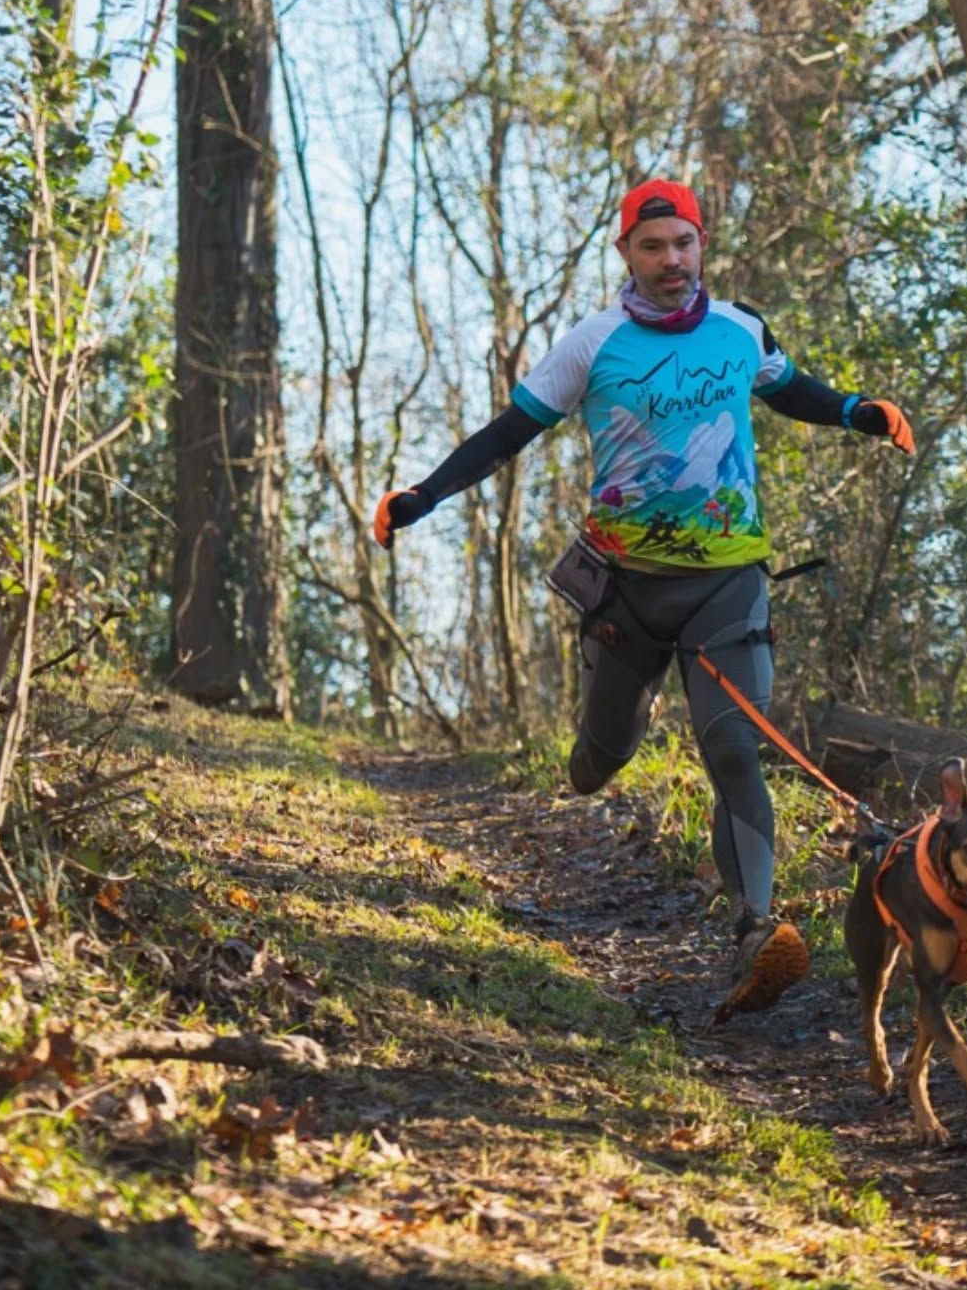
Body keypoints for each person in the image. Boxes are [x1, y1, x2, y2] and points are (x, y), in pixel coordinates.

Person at [373, 180, 916, 1022]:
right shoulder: (593, 345)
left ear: (703, 246)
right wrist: (424, 496)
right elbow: (507, 434)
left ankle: (755, 930)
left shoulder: (740, 329)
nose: (673, 262)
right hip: (625, 595)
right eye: (654, 247)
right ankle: (591, 755)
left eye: (685, 244)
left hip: (729, 585)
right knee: (602, 760)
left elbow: (791, 387)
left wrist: (859, 412)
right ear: (626, 253)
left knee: (733, 746)